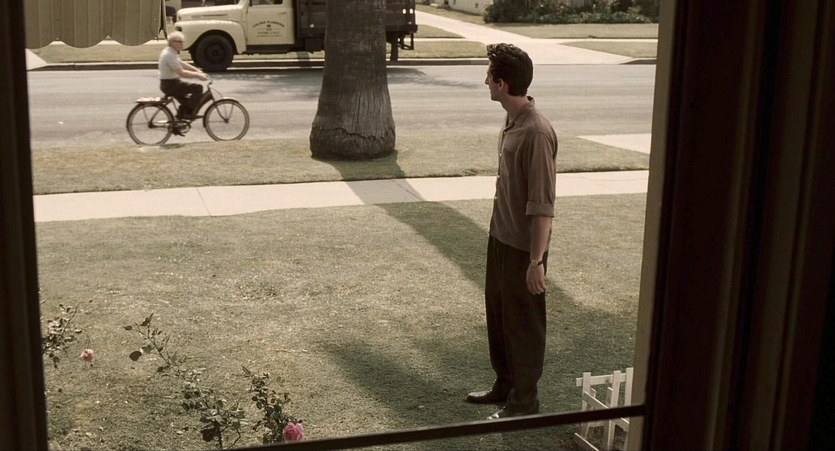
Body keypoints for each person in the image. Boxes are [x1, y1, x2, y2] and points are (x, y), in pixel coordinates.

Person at [466, 43, 558, 420]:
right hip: (501, 238)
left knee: (523, 325)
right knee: (500, 316)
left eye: (489, 76)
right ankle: (504, 386)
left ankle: (524, 403)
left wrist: (536, 262)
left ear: (502, 84)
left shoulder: (536, 132)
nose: (485, 81)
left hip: (524, 249)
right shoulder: (512, 121)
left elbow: (542, 205)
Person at [158, 31, 208, 121]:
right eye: (180, 42)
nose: (182, 44)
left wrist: (198, 70)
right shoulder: (169, 55)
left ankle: (180, 118)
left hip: (170, 83)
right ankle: (187, 113)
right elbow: (181, 72)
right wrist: (198, 75)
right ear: (173, 42)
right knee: (198, 88)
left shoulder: (171, 52)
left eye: (183, 41)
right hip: (171, 84)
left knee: (187, 101)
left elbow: (182, 64)